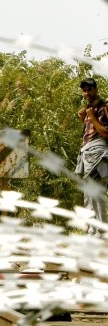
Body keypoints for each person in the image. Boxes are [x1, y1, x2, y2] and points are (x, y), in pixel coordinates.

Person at [75, 77, 108, 236]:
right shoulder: (89, 109)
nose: (86, 93)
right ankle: (92, 230)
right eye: (84, 90)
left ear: (96, 90)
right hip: (87, 153)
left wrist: (92, 117)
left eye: (89, 90)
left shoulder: (104, 107)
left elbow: (105, 133)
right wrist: (85, 119)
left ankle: (102, 231)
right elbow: (91, 132)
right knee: (88, 194)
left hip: (98, 153)